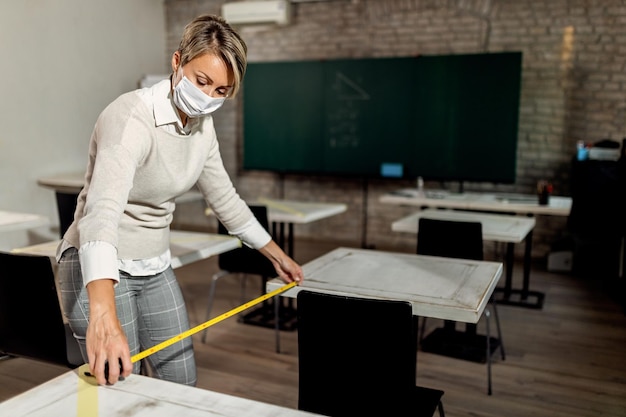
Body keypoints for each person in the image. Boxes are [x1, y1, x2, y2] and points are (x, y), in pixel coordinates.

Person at [56, 14, 303, 387]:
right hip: (98, 271)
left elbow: (225, 198)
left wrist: (276, 255)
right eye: (202, 81)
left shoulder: (202, 127)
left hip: (154, 266)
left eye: (221, 91)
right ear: (177, 62)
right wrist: (102, 313)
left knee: (180, 383)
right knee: (123, 386)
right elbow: (101, 214)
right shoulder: (130, 118)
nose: (207, 98)